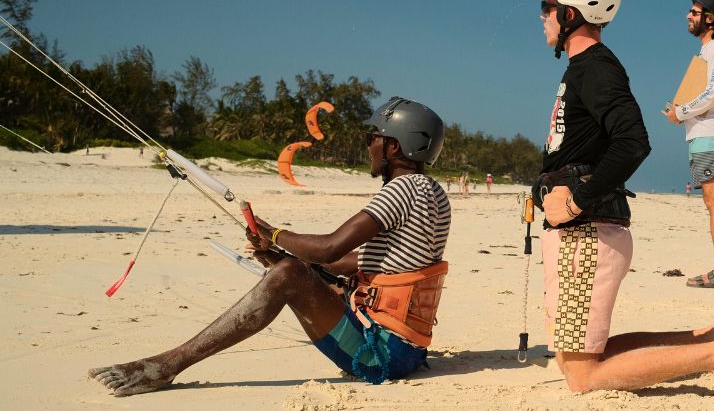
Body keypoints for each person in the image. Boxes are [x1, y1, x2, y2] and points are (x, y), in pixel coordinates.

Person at [89, 97, 453, 395]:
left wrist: (274, 234)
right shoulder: (433, 193)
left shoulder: (402, 190)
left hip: (382, 355)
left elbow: (329, 248)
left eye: (372, 137)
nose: (369, 145)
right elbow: (365, 262)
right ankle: (170, 362)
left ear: (393, 144)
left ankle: (165, 366)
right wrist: (285, 257)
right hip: (407, 349)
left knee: (288, 275)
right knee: (290, 270)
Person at [526, 0, 714, 399]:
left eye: (547, 5)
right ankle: (706, 340)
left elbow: (633, 141)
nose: (541, 15)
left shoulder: (597, 67)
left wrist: (579, 199)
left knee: (582, 377)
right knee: (573, 356)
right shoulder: (583, 67)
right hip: (579, 233)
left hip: (587, 233)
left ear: (570, 13)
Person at [665, 0, 714, 288]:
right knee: (712, 201)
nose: (688, 16)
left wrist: (680, 111)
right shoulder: (709, 50)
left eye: (694, 12)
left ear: (711, 19)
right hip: (703, 134)